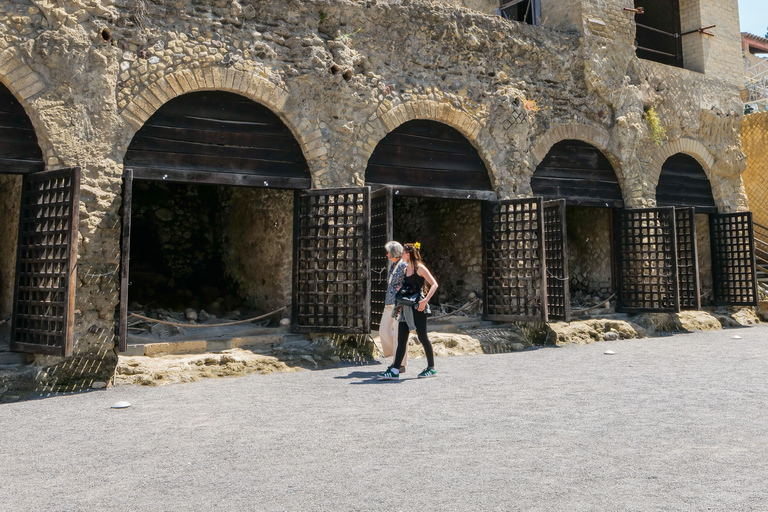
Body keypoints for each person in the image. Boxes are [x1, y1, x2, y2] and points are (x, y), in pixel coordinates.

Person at [378, 242, 439, 380]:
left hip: (418, 307)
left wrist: (425, 301)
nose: (401, 255)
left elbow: (434, 284)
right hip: (406, 308)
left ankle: (431, 368)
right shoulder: (406, 270)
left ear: (408, 254)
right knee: (401, 339)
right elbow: (408, 287)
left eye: (404, 253)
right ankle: (395, 370)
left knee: (423, 337)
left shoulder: (420, 268)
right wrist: (401, 290)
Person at [379, 241, 408, 373]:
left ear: (394, 253)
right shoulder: (394, 264)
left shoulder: (403, 265)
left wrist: (402, 289)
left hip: (398, 304)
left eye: (388, 252)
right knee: (383, 332)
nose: (387, 254)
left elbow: (409, 281)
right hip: (389, 303)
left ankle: (400, 363)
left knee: (398, 334)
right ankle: (396, 357)